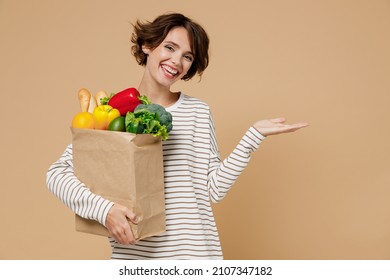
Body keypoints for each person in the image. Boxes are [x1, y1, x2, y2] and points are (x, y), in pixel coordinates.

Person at [46, 12, 308, 260]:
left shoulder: (198, 112)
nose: (176, 62)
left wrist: (252, 137)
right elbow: (57, 175)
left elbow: (212, 190)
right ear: (148, 45)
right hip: (135, 259)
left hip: (196, 258)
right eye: (169, 47)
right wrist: (105, 211)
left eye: (187, 57)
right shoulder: (113, 112)